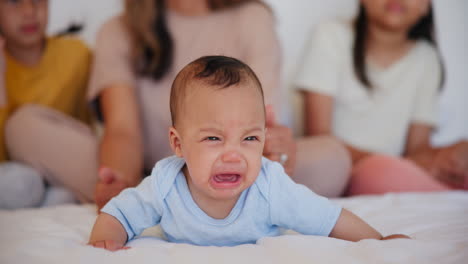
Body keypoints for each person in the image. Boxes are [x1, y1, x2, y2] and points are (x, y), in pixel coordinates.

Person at [88, 56, 408, 250]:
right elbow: (120, 214)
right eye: (214, 138)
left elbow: (328, 218)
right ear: (178, 144)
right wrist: (106, 241)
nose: (233, 155)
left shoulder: (269, 187)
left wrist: (376, 242)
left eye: (249, 139)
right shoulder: (165, 183)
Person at [90, 0, 349, 210]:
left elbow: (259, 125)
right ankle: (170, 192)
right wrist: (120, 182)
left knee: (332, 155)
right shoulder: (119, 31)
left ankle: (190, 195)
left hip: (233, 166)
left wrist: (278, 150)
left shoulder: (252, 18)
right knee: (56, 134)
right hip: (146, 173)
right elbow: (122, 130)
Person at [295, 0, 468, 195]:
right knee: (378, 172)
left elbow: (417, 149)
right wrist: (394, 164)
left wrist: (448, 156)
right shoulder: (331, 35)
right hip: (341, 170)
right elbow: (319, 136)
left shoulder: (427, 58)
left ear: (425, 6)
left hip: (394, 171)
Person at [0, 0, 96, 209]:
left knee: (23, 126)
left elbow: (100, 131)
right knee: (22, 183)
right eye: (13, 2)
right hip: (15, 175)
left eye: (37, 0)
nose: (29, 11)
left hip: (65, 168)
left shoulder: (77, 56)